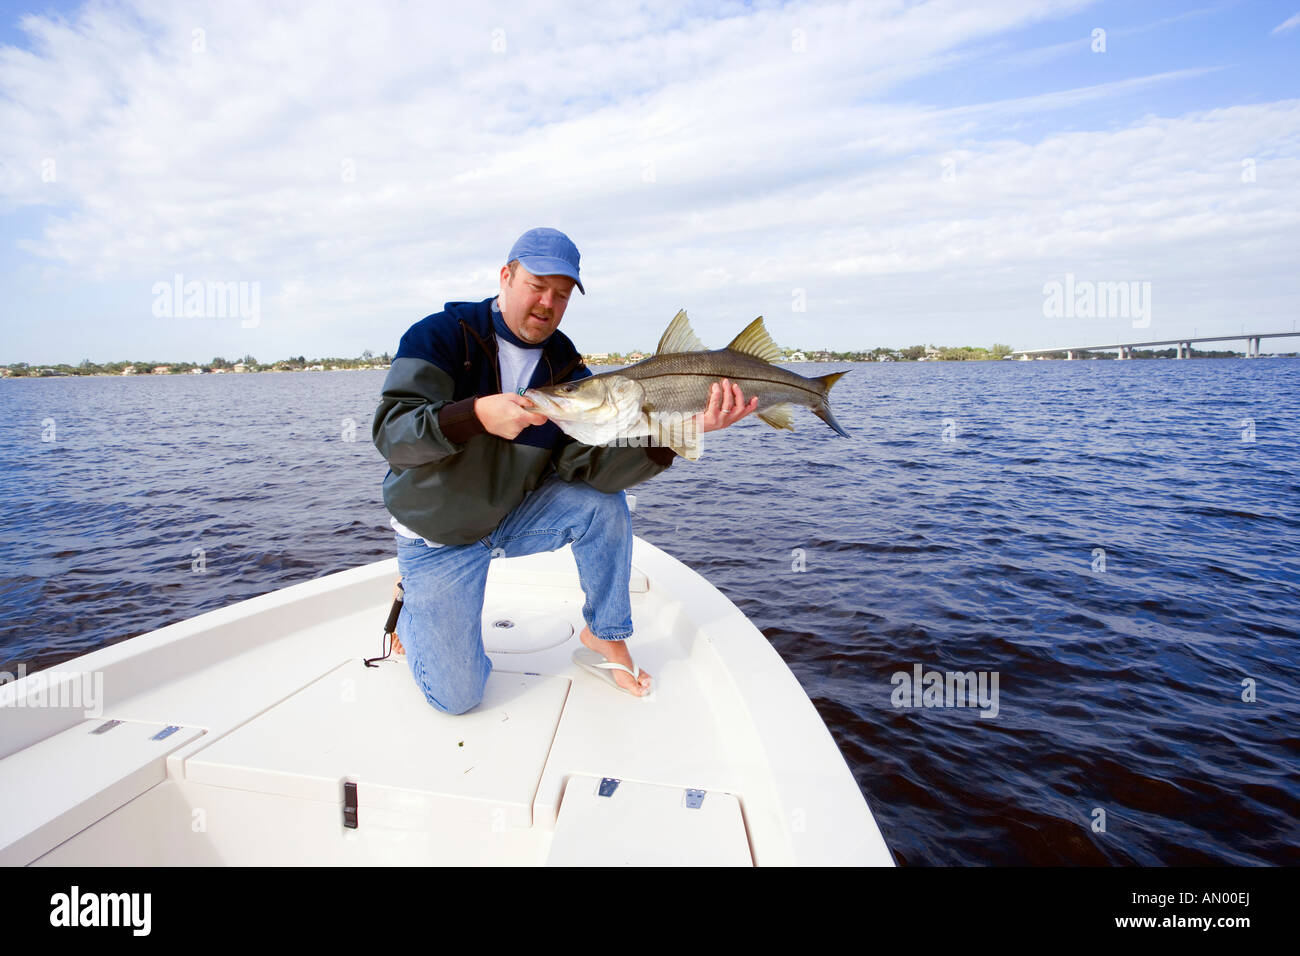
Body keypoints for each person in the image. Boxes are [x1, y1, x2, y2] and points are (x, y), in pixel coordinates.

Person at [371, 227, 757, 713]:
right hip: (438, 534)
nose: (547, 303)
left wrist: (680, 433)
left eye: (562, 293)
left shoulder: (565, 366)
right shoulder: (441, 335)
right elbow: (393, 435)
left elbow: (589, 466)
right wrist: (477, 415)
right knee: (458, 699)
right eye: (537, 286)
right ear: (506, 276)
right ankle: (413, 609)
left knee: (603, 504)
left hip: (508, 519)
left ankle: (605, 635)